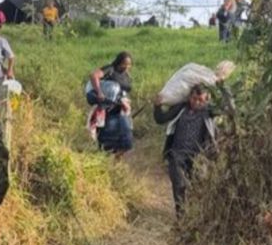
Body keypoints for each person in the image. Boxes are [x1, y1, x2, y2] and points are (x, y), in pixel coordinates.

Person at [154, 81, 231, 216]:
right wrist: (157, 106)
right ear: (189, 97)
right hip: (177, 154)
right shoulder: (181, 109)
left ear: (207, 99)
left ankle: (195, 215)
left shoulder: (208, 112)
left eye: (200, 100)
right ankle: (181, 217)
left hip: (198, 156)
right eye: (194, 99)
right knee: (179, 186)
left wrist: (223, 87)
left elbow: (228, 108)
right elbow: (161, 119)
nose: (196, 102)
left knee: (198, 186)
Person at [87, 51, 135, 158]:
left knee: (126, 138)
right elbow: (93, 75)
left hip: (121, 109)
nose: (127, 67)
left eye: (129, 65)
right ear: (118, 62)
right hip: (108, 108)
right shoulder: (110, 69)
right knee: (108, 139)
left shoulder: (126, 75)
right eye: (124, 64)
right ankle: (108, 164)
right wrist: (99, 92)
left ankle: (116, 160)